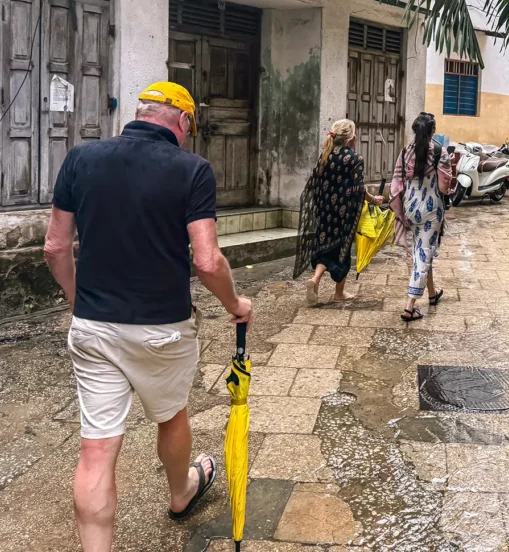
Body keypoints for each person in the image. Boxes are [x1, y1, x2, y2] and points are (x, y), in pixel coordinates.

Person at [43, 81, 253, 552]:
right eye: (189, 127)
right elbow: (207, 261)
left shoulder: (81, 159)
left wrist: (78, 301)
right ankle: (181, 493)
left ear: (139, 114)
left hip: (94, 326)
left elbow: (55, 248)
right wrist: (236, 305)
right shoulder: (192, 169)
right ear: (182, 120)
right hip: (163, 329)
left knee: (97, 449)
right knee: (171, 415)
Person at [293, 118, 383, 306]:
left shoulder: (325, 155)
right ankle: (339, 293)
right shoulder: (355, 159)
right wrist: (374, 200)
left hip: (325, 211)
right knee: (342, 251)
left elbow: (316, 183)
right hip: (344, 214)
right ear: (351, 138)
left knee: (325, 246)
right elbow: (359, 189)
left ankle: (315, 279)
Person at [389, 112, 455, 322]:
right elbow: (444, 187)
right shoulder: (439, 151)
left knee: (423, 248)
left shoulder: (406, 151)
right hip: (430, 209)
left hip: (410, 207)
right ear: (433, 130)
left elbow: (397, 182)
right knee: (423, 254)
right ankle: (410, 306)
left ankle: (433, 294)